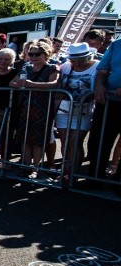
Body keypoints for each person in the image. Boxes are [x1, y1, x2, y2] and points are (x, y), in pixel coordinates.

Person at [9, 41, 59, 179]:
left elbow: (54, 84)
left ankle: (36, 168)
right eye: (31, 54)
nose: (34, 57)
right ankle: (26, 166)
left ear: (46, 54)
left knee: (38, 140)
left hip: (43, 108)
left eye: (37, 54)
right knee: (25, 137)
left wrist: (32, 84)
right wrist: (19, 84)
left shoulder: (52, 68)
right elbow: (12, 82)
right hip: (26, 107)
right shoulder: (27, 68)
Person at [54, 43, 98, 182]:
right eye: (74, 59)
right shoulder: (66, 66)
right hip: (64, 109)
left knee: (75, 142)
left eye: (80, 59)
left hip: (84, 111)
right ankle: (66, 171)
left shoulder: (97, 66)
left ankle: (74, 172)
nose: (77, 63)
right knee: (66, 142)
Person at [87, 37, 121, 189]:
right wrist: (99, 85)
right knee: (98, 140)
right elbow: (102, 71)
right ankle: (95, 177)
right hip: (109, 102)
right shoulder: (116, 45)